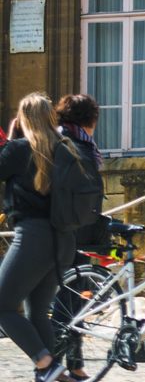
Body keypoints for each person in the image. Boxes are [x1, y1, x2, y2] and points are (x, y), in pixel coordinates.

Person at [0, 91, 77, 377]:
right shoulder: (67, 147)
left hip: (32, 237)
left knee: (3, 307)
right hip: (63, 240)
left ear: (23, 119)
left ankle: (47, 364)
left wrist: (9, 136)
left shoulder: (18, 149)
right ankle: (51, 375)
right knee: (38, 310)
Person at [51, 95, 106, 381]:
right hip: (76, 229)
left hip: (66, 227)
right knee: (70, 299)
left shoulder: (60, 140)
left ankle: (71, 363)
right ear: (90, 119)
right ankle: (54, 364)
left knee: (72, 297)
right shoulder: (80, 144)